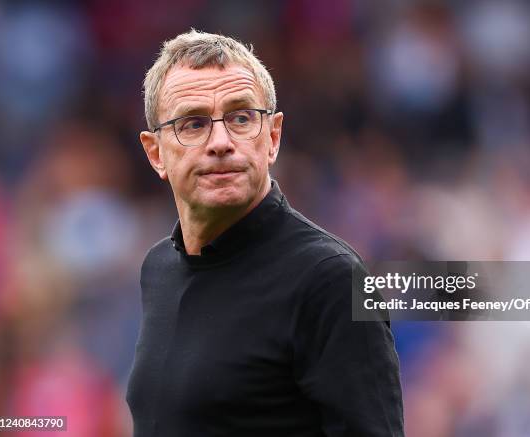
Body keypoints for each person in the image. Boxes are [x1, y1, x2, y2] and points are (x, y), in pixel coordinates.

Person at [126, 29, 404, 437]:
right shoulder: (158, 268)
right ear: (155, 153)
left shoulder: (330, 280)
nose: (221, 142)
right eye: (193, 123)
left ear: (272, 137)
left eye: (241, 118)